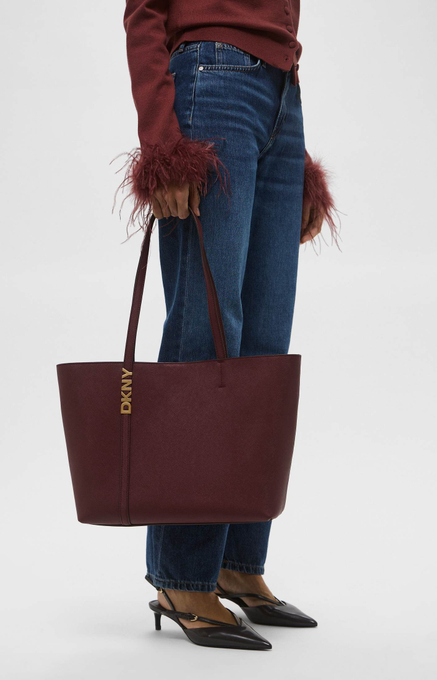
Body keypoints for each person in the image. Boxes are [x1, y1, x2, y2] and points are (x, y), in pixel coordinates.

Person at [113, 0, 339, 651]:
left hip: (282, 96)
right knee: (206, 341)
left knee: (265, 347)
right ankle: (183, 576)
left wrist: (294, 159)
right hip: (212, 84)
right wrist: (162, 142)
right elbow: (144, 11)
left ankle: (237, 561)